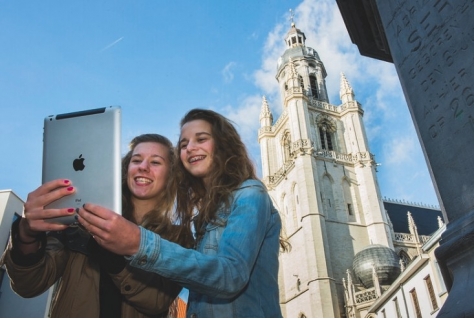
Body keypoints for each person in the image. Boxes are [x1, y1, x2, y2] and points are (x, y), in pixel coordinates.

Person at [78, 109, 287, 317]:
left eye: (201, 139)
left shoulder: (250, 193)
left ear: (223, 144)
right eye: (184, 144)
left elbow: (230, 276)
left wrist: (139, 243)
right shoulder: (202, 219)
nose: (190, 148)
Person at [1, 133, 193, 317]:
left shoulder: (178, 237)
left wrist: (113, 247)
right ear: (126, 169)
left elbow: (156, 301)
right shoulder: (79, 222)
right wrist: (27, 234)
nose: (143, 167)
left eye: (155, 162)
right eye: (136, 160)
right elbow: (28, 285)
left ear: (170, 175)